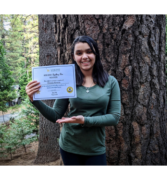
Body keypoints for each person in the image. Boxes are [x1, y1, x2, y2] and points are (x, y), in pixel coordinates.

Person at [25, 35, 121, 165]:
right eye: (79, 53)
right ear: (74, 57)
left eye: (89, 51)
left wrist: (84, 120)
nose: (84, 57)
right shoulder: (68, 81)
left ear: (96, 54)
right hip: (69, 146)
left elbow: (114, 117)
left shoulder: (111, 82)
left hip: (95, 148)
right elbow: (55, 115)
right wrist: (34, 100)